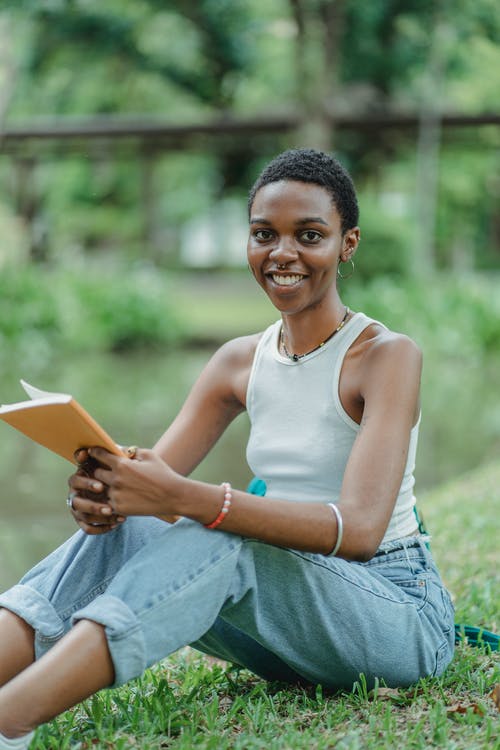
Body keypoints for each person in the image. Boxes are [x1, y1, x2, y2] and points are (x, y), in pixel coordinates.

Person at [0, 148, 455, 748]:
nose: (282, 254)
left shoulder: (385, 357)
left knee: (225, 531)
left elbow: (363, 529)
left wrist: (190, 498)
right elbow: (156, 486)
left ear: (348, 244)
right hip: (288, 631)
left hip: (394, 615)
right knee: (122, 534)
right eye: (264, 234)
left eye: (310, 235)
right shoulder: (239, 361)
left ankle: (11, 719)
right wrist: (107, 499)